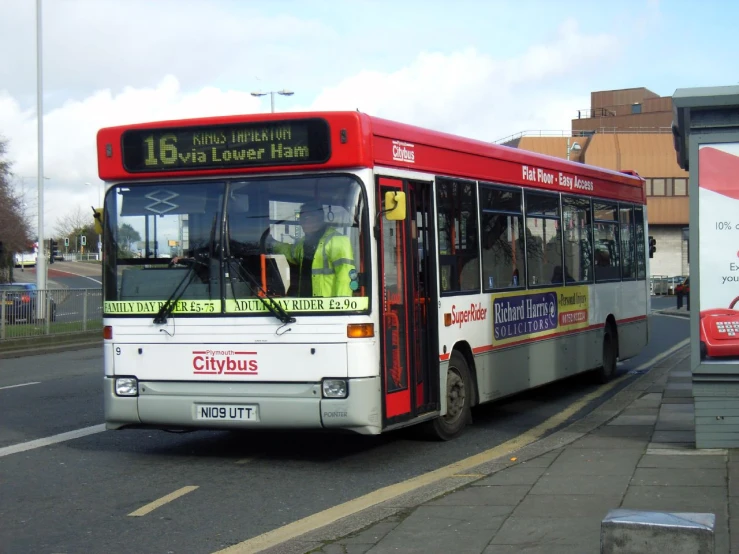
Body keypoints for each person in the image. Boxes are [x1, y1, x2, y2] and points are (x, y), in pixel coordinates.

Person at [270, 201, 356, 297]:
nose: (303, 222)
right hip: (307, 307)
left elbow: (345, 276)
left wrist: (341, 308)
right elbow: (290, 252)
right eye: (301, 218)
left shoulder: (337, 240)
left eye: (307, 218)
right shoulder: (304, 243)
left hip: (328, 309)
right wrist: (272, 244)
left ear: (320, 219)